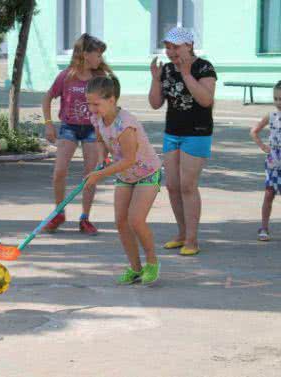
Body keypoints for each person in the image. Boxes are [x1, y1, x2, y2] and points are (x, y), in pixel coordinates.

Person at [85, 76, 162, 285]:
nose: (92, 109)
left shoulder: (125, 124)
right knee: (120, 221)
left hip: (146, 172)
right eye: (89, 103)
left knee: (135, 220)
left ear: (112, 100)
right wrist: (102, 158)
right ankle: (135, 268)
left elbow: (130, 159)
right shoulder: (97, 118)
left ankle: (152, 263)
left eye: (96, 104)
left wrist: (99, 175)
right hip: (124, 175)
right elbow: (100, 139)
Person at [148, 27, 217, 256]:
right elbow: (155, 104)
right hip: (172, 132)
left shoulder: (203, 67)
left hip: (197, 133)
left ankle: (192, 239)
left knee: (188, 186)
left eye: (175, 47)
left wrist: (187, 74)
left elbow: (206, 100)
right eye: (167, 47)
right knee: (173, 186)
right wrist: (156, 80)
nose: (171, 52)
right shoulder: (167, 69)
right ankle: (181, 233)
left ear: (189, 45)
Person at [41, 34, 111, 235]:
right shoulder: (66, 76)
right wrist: (48, 125)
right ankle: (59, 213)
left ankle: (85, 218)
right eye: (97, 54)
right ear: (85, 54)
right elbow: (47, 98)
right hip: (69, 127)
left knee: (90, 176)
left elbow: (108, 109)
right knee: (59, 171)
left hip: (92, 130)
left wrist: (106, 140)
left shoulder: (100, 80)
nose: (100, 58)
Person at [250, 81, 281, 242]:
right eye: (276, 98)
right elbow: (254, 131)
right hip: (273, 161)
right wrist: (263, 146)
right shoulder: (271, 116)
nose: (278, 102)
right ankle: (264, 227)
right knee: (269, 194)